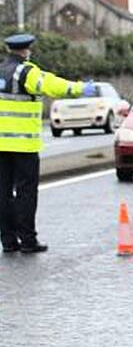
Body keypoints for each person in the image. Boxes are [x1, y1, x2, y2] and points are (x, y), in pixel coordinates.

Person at [0, 34, 96, 254]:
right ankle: (28, 241)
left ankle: (8, 241)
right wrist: (81, 89)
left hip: (0, 146)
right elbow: (54, 86)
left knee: (3, 193)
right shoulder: (26, 72)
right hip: (24, 145)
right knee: (26, 193)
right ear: (26, 51)